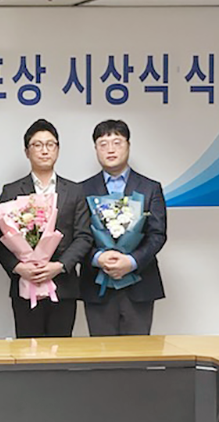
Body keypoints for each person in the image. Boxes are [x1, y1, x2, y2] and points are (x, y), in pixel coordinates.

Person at [0, 119, 91, 338]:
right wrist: (18, 267)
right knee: (28, 350)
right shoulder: (11, 191)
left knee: (61, 350)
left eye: (50, 144)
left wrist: (60, 266)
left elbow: (84, 237)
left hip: (63, 286)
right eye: (37, 145)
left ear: (58, 149)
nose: (44, 150)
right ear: (26, 152)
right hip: (25, 285)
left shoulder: (75, 191)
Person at [81, 119, 167, 336]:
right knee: (101, 352)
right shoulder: (81, 190)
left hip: (140, 285)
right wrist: (97, 258)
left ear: (128, 145)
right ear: (95, 149)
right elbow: (78, 236)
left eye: (117, 142)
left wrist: (131, 261)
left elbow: (157, 235)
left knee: (138, 352)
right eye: (103, 144)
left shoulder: (150, 188)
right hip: (97, 285)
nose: (110, 149)